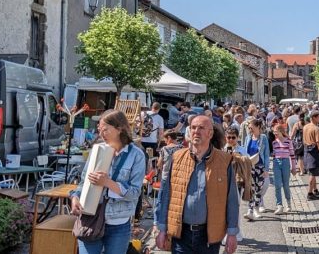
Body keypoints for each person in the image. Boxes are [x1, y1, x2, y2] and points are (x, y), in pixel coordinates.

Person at [155, 115, 239, 254]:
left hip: (209, 236)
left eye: (201, 128)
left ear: (210, 133)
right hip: (181, 233)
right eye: (193, 127)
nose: (196, 131)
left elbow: (232, 200)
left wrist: (232, 233)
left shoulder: (224, 161)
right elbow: (165, 195)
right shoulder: (176, 158)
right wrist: (161, 228)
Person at [70, 109, 147, 254]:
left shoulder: (136, 155)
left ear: (119, 129)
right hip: (90, 219)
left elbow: (135, 193)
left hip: (118, 223)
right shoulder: (97, 150)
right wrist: (75, 197)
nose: (101, 134)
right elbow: (83, 182)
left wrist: (107, 182)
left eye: (105, 130)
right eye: (100, 129)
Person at [244, 119, 270, 220]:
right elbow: (245, 151)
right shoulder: (248, 138)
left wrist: (266, 169)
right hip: (250, 167)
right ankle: (250, 210)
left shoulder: (263, 138)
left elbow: (266, 155)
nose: (250, 129)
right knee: (251, 189)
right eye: (249, 128)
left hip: (260, 167)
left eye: (252, 127)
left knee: (258, 189)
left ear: (258, 127)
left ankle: (256, 208)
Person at [270, 124, 296, 215]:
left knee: (286, 185)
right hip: (276, 162)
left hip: (285, 163)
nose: (275, 135)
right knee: (277, 185)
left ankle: (288, 203)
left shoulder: (288, 141)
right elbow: (274, 154)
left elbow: (292, 155)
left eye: (276, 133)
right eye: (274, 133)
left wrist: (293, 167)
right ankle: (279, 205)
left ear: (281, 132)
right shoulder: (274, 142)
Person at [302, 110, 319, 200]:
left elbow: (303, 140)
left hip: (307, 150)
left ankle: (315, 190)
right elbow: (318, 143)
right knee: (312, 173)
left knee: (312, 172)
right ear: (314, 117)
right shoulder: (316, 128)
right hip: (314, 151)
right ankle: (309, 193)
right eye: (318, 117)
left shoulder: (305, 127)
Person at [290, 110, 306, 175]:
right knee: (305, 155)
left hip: (298, 142)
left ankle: (302, 171)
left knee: (300, 157)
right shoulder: (307, 123)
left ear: (298, 117)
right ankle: (305, 168)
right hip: (306, 141)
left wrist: (289, 140)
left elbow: (292, 135)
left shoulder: (297, 124)